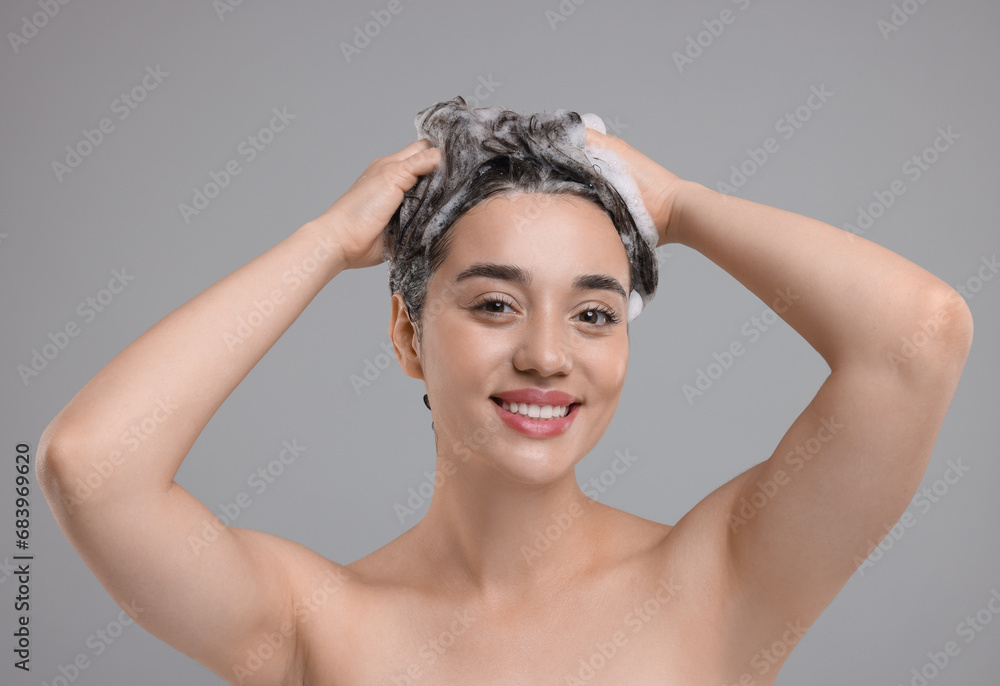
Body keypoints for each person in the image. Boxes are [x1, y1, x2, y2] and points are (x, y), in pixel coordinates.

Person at [37, 98, 973, 685]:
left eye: (594, 315)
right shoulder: (315, 627)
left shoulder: (720, 581)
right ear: (408, 336)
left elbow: (917, 337)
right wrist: (325, 242)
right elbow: (92, 467)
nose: (546, 356)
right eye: (494, 303)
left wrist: (681, 207)